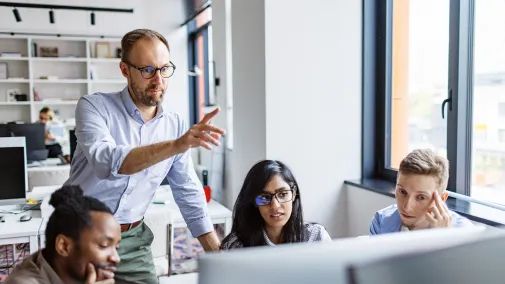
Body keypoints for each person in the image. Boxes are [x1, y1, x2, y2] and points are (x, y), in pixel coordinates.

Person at [64, 29, 225, 283]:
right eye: (147, 70)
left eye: (164, 69)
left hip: (133, 239)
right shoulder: (94, 107)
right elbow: (106, 161)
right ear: (125, 70)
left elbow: (187, 188)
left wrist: (218, 254)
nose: (158, 80)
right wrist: (175, 145)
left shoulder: (174, 123)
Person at [5, 185, 121, 284]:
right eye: (104, 245)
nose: (116, 258)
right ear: (64, 246)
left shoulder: (73, 272)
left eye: (116, 247)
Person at [220, 160, 331, 249]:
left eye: (282, 194)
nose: (275, 206)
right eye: (264, 197)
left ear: (293, 194)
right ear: (253, 200)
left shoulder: (316, 237)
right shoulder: (236, 247)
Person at [370, 149, 473, 235]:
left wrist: (443, 240)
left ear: (441, 199)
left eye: (421, 197)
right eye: (402, 192)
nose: (407, 207)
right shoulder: (381, 221)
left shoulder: (465, 234)